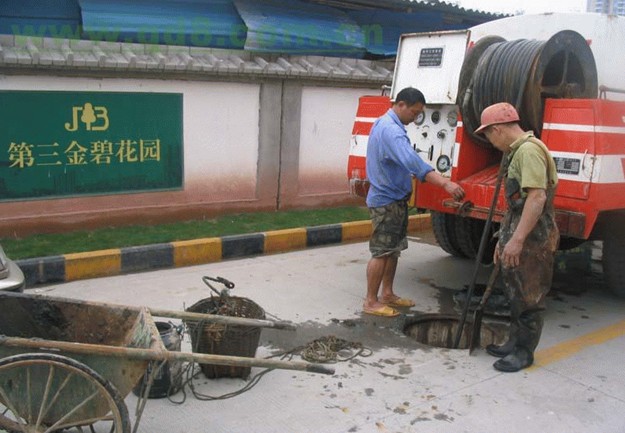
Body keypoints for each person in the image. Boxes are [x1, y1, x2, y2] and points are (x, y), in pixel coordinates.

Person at [364, 87, 465, 317]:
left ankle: (387, 294)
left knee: (393, 250)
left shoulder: (388, 125)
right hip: (386, 201)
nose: (416, 118)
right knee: (382, 252)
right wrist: (445, 184)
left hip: (395, 199)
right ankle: (371, 301)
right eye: (414, 112)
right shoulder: (391, 131)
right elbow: (413, 163)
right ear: (400, 105)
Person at [475, 102, 559, 372]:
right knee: (515, 292)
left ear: (497, 129)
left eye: (488, 135)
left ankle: (524, 352)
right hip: (521, 228)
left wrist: (519, 239)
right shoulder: (518, 152)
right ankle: (514, 342)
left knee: (529, 295)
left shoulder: (529, 151)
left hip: (534, 236)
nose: (490, 141)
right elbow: (516, 204)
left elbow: (537, 197)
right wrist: (504, 238)